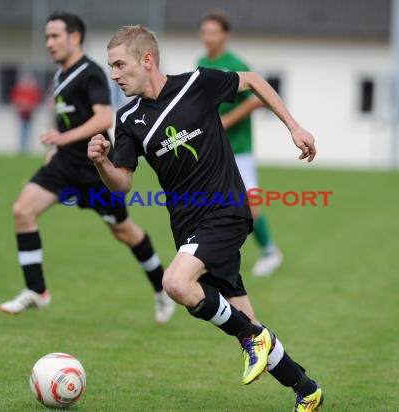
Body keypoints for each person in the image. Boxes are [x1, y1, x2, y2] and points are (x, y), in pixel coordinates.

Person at [88, 25, 324, 411]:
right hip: (188, 228)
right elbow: (121, 185)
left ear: (147, 60)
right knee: (246, 323)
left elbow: (253, 82)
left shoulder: (196, 83)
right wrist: (100, 161)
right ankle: (307, 389)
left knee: (176, 283)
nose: (114, 74)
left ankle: (253, 339)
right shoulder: (128, 118)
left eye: (119, 64)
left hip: (227, 211)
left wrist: (294, 127)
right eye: (110, 66)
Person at [0, 12, 176, 325]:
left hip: (94, 171)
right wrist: (58, 148)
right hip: (64, 165)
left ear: (74, 37)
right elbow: (67, 121)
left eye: (55, 36)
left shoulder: (90, 72)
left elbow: (103, 118)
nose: (49, 43)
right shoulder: (60, 75)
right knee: (22, 211)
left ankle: (162, 290)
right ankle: (36, 291)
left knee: (125, 232)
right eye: (47, 38)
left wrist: (63, 138)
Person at [198, 10, 282, 277]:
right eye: (205, 32)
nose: (208, 37)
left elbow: (257, 99)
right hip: (213, 148)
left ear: (225, 35)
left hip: (239, 148)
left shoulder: (235, 62)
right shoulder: (200, 61)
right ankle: (208, 256)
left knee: (249, 204)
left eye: (213, 32)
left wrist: (226, 121)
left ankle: (270, 251)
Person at [10, 73, 42, 154]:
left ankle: (26, 148)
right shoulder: (19, 89)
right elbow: (14, 99)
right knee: (22, 130)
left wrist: (28, 105)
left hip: (30, 114)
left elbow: (36, 101)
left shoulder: (33, 90)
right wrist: (21, 104)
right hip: (21, 114)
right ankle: (22, 148)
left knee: (28, 130)